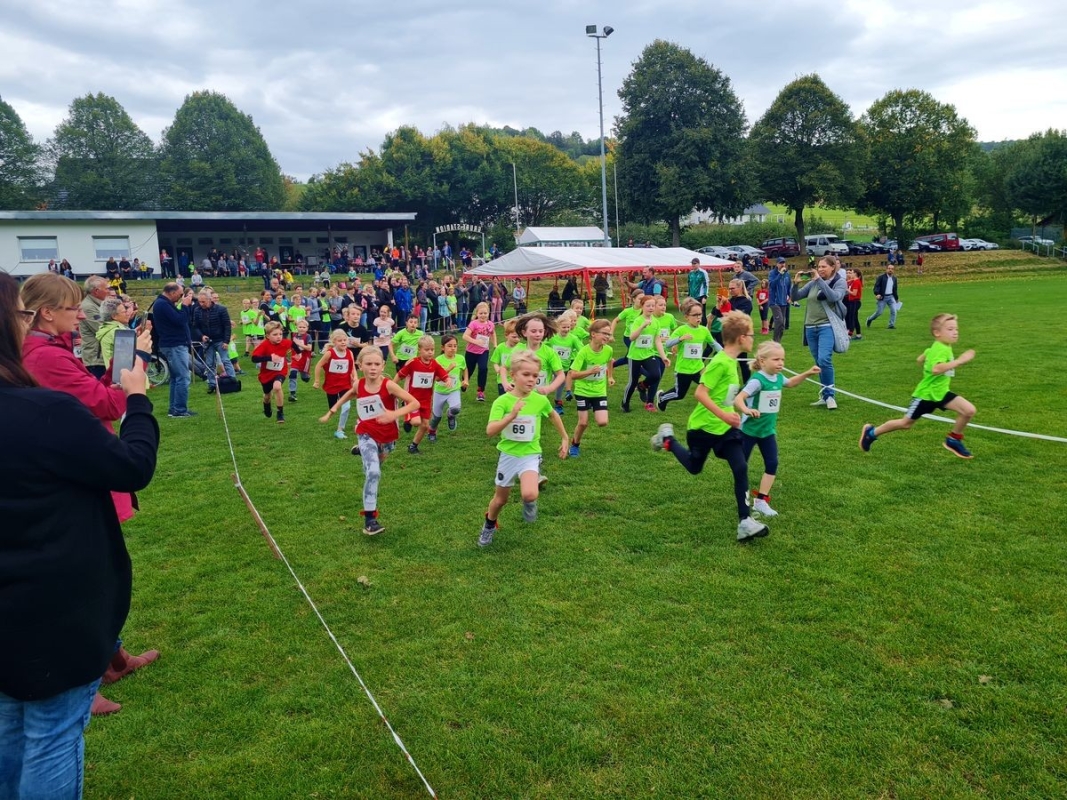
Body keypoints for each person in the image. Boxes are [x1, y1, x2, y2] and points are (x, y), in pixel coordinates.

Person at [1, 271, 159, 795]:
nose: (79, 316)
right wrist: (134, 396)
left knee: (10, 728)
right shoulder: (40, 387)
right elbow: (110, 423)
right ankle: (97, 667)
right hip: (43, 599)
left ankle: (110, 658)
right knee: (50, 733)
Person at [650, 311, 769, 542]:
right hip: (702, 427)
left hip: (725, 429)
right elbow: (700, 393)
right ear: (741, 338)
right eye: (751, 334)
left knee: (740, 466)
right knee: (695, 467)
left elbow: (728, 396)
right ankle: (668, 440)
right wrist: (725, 415)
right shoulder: (721, 362)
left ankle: (745, 522)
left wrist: (741, 410)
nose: (753, 339)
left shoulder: (731, 361)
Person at [320, 348, 418, 535]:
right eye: (368, 364)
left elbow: (414, 403)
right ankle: (370, 519)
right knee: (373, 472)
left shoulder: (389, 386)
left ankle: (362, 451)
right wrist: (331, 411)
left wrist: (393, 414)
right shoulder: (359, 384)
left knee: (375, 465)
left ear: (383, 366)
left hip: (388, 436)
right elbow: (349, 394)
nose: (372, 368)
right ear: (360, 365)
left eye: (376, 364)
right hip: (365, 432)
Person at [478, 349, 569, 547]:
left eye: (535, 375)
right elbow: (490, 431)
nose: (531, 380)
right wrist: (511, 416)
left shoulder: (539, 400)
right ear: (513, 375)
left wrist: (564, 437)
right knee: (500, 500)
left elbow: (553, 415)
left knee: (530, 494)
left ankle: (530, 503)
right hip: (509, 455)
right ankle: (489, 524)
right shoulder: (502, 401)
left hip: (530, 453)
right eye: (526, 374)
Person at [860, 314, 977, 459]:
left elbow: (929, 351)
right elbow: (936, 369)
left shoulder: (944, 346)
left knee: (968, 410)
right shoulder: (940, 349)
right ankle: (871, 433)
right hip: (926, 395)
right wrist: (960, 361)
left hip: (941, 393)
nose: (955, 332)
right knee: (905, 423)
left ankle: (953, 439)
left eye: (956, 329)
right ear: (937, 333)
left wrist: (922, 356)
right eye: (950, 329)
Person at [733, 341, 821, 518]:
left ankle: (761, 501)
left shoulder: (778, 378)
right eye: (776, 359)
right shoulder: (757, 380)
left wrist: (807, 373)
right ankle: (742, 499)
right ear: (762, 361)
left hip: (767, 431)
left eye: (782, 359)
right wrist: (746, 410)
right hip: (748, 431)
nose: (781, 363)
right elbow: (739, 399)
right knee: (741, 467)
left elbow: (791, 383)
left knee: (772, 463)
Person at [792, 256, 847, 410]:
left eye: (823, 266)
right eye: (819, 266)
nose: (820, 269)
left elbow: (834, 297)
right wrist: (795, 284)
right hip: (810, 328)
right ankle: (824, 395)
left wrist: (819, 281)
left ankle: (830, 396)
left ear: (832, 268)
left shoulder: (839, 282)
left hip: (827, 327)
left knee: (824, 360)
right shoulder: (812, 283)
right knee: (819, 363)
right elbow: (795, 297)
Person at [657, 297, 718, 411]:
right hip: (683, 370)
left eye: (700, 314)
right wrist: (680, 339)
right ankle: (662, 397)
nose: (698, 317)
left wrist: (724, 353)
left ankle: (708, 409)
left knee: (708, 387)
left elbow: (713, 344)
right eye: (695, 315)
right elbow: (668, 344)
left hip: (698, 368)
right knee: (679, 394)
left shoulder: (704, 330)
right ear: (686, 317)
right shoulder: (681, 330)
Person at [565, 319, 614, 457]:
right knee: (583, 423)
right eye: (604, 333)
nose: (607, 337)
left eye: (608, 334)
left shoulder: (608, 350)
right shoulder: (583, 352)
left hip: (599, 391)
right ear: (593, 334)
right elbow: (572, 374)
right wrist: (589, 372)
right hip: (583, 391)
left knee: (603, 422)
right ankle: (575, 444)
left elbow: (610, 361)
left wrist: (610, 376)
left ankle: (594, 406)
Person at [396, 335, 452, 452]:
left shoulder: (434, 364)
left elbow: (443, 374)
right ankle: (408, 418)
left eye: (432, 350)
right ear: (419, 350)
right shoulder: (413, 363)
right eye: (427, 350)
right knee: (416, 422)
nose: (430, 352)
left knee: (425, 425)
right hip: (413, 400)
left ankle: (413, 446)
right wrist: (390, 386)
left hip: (426, 400)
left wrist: (448, 380)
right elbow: (400, 375)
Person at [152, 282, 196, 418]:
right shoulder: (163, 305)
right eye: (180, 294)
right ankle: (179, 410)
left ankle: (174, 408)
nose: (181, 297)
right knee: (183, 377)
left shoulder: (164, 304)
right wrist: (184, 306)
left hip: (172, 344)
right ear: (171, 293)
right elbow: (181, 320)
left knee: (176, 378)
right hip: (174, 345)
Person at [621, 295, 669, 413]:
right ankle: (625, 402)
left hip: (648, 354)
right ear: (642, 306)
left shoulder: (656, 322)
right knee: (632, 382)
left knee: (656, 375)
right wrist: (642, 326)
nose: (651, 308)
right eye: (648, 305)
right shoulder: (637, 321)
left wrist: (664, 357)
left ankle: (642, 385)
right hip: (635, 356)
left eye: (653, 305)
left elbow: (657, 341)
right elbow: (632, 337)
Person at [313, 329, 357, 440]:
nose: (343, 342)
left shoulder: (349, 353)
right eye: (340, 340)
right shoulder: (330, 353)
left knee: (346, 406)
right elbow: (318, 366)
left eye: (345, 340)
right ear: (334, 342)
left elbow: (352, 367)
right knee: (333, 408)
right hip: (331, 385)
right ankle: (335, 411)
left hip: (345, 384)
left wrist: (355, 378)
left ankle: (340, 430)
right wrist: (317, 381)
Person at [426, 334, 468, 444]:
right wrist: (448, 369)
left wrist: (465, 380)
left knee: (456, 408)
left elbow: (464, 368)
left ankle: (450, 415)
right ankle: (432, 432)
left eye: (455, 346)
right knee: (436, 417)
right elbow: (437, 379)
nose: (453, 348)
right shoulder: (438, 360)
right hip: (440, 392)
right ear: (442, 347)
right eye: (449, 346)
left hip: (454, 390)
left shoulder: (460, 358)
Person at [191, 289, 235, 394]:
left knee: (225, 360)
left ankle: (232, 380)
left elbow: (227, 326)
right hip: (208, 342)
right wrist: (201, 336)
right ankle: (212, 384)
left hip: (220, 340)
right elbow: (195, 326)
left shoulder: (221, 309)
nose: (201, 304)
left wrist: (226, 341)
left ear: (209, 300)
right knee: (209, 363)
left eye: (203, 302)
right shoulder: (197, 311)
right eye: (199, 302)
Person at [250, 321, 291, 424]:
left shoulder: (284, 342)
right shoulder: (264, 345)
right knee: (267, 395)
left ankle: (280, 413)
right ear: (267, 336)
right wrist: (269, 358)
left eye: (280, 334)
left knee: (277, 387)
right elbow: (254, 358)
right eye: (275, 334)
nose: (279, 337)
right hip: (266, 374)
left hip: (280, 370)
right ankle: (266, 405)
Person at [547, 311, 583, 415]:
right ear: (558, 327)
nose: (566, 329)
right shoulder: (553, 338)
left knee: (560, 387)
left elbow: (582, 350)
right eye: (564, 327)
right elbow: (542, 344)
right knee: (546, 384)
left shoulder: (573, 339)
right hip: (551, 367)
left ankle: (558, 404)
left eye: (568, 327)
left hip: (564, 368)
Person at [462, 302, 497, 402]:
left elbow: (493, 334)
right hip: (471, 352)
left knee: (483, 369)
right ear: (477, 314)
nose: (483, 315)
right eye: (481, 313)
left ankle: (480, 392)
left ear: (488, 313)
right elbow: (465, 336)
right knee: (469, 370)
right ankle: (464, 382)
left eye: (485, 313)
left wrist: (495, 345)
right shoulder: (474, 324)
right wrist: (476, 341)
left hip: (483, 351)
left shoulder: (490, 324)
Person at [79, 276, 110, 378]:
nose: (109, 291)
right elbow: (102, 329)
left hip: (102, 356)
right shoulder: (88, 307)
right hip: (96, 359)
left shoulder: (99, 305)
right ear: (96, 291)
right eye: (106, 289)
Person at [866, 263, 901, 329]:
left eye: (892, 269)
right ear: (886, 269)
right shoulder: (881, 277)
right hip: (882, 297)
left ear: (894, 270)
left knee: (894, 311)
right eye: (889, 268)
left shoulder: (894, 278)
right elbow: (876, 287)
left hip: (891, 297)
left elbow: (895, 289)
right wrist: (877, 294)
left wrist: (896, 298)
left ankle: (891, 325)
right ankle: (869, 319)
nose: (890, 270)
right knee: (879, 312)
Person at [288, 319, 313, 402]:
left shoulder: (308, 336)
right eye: (300, 327)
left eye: (304, 327)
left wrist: (299, 344)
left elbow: (309, 348)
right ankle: (292, 393)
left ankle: (306, 376)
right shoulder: (294, 335)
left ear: (307, 328)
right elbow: (292, 345)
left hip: (305, 359)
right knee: (293, 373)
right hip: (295, 358)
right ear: (296, 327)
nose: (302, 328)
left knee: (305, 378)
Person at [768, 258, 791, 343]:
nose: (783, 265)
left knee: (782, 324)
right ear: (777, 264)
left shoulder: (787, 274)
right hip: (774, 301)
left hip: (783, 302)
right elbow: (772, 285)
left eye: (784, 263)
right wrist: (780, 275)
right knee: (779, 321)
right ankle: (775, 342)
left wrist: (790, 297)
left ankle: (778, 342)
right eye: (781, 263)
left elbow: (789, 286)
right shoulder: (772, 273)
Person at [687, 258, 709, 323]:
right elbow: (689, 284)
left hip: (700, 296)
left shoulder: (703, 273)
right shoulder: (690, 273)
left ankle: (704, 327)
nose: (693, 265)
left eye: (695, 263)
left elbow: (706, 284)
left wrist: (705, 296)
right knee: (693, 312)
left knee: (702, 313)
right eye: (692, 263)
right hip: (692, 297)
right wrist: (689, 295)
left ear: (699, 264)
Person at [845, 269, 863, 340]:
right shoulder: (854, 281)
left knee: (852, 318)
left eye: (851, 273)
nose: (850, 274)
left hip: (855, 302)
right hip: (853, 302)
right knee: (854, 318)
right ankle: (858, 334)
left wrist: (847, 290)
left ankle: (850, 334)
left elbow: (854, 293)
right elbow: (848, 281)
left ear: (855, 274)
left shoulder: (856, 282)